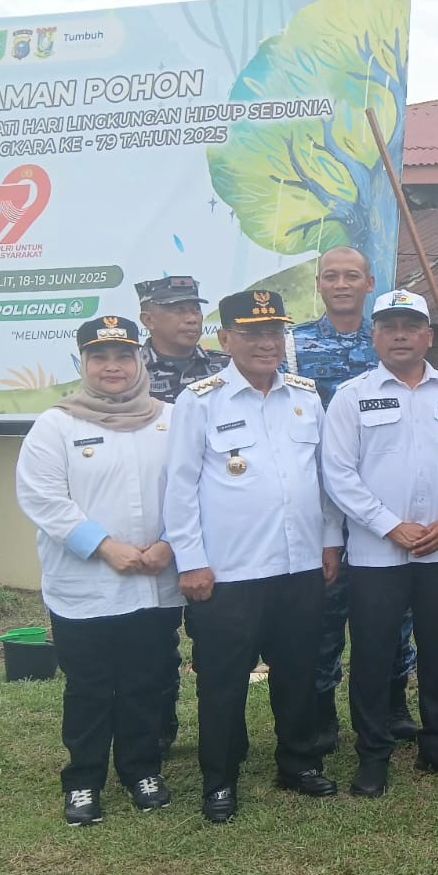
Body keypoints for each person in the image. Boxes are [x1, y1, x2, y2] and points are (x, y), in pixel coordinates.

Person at [164, 289, 344, 823]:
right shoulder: (201, 401)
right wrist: (191, 560)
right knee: (223, 681)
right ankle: (220, 779)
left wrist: (329, 540)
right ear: (225, 339)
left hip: (299, 565)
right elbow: (179, 488)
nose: (267, 343)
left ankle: (299, 762)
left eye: (274, 332)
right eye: (252, 333)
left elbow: (322, 479)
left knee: (298, 672)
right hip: (229, 571)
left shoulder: (305, 396)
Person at [322, 290, 438, 797]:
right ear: (374, 337)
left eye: (411, 326)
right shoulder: (352, 396)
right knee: (373, 653)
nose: (400, 335)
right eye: (390, 327)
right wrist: (389, 525)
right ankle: (373, 754)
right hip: (377, 553)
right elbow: (338, 474)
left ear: (428, 336)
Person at [14, 316, 182, 826]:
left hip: (154, 580)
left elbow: (193, 489)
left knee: (146, 681)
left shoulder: (171, 419)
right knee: (89, 687)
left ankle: (142, 770)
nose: (113, 367)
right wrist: (105, 547)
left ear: (140, 360)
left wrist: (171, 544)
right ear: (82, 363)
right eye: (100, 357)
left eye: (124, 356)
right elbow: (43, 498)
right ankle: (84, 780)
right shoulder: (56, 424)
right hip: (85, 585)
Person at [290, 246, 419, 756]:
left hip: (386, 500)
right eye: (331, 276)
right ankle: (322, 710)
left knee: (394, 610)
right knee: (324, 609)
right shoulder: (293, 344)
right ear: (318, 284)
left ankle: (393, 701)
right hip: (318, 499)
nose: (341, 284)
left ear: (370, 283)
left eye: (351, 276)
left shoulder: (390, 337)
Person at [135, 274, 227, 757]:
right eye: (177, 309)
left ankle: (218, 729)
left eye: (194, 308)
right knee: (154, 639)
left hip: (214, 527)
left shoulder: (223, 368)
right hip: (147, 523)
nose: (191, 317)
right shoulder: (128, 372)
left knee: (214, 635)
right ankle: (157, 727)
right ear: (148, 318)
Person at [137, 275, 229, 404]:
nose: (192, 319)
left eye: (196, 310)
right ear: (148, 320)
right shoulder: (131, 371)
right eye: (179, 311)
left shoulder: (227, 366)